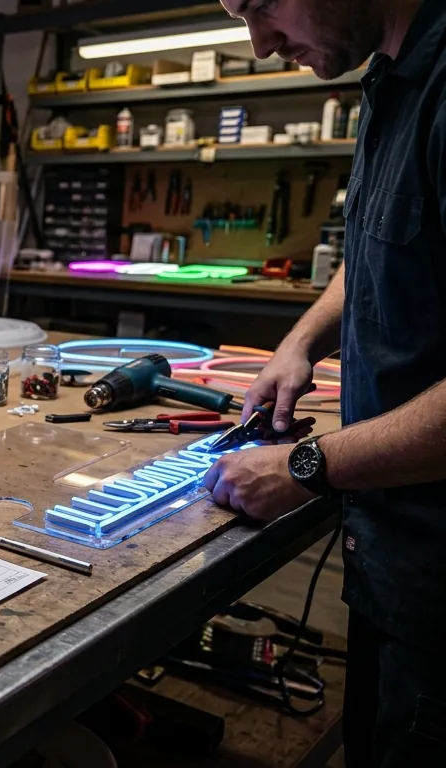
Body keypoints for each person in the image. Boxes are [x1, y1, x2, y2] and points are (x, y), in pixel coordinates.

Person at [208, 0, 446, 763]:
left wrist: (308, 465)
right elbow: (379, 241)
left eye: (263, 4)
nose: (261, 43)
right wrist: (299, 341)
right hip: (390, 557)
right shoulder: (390, 75)